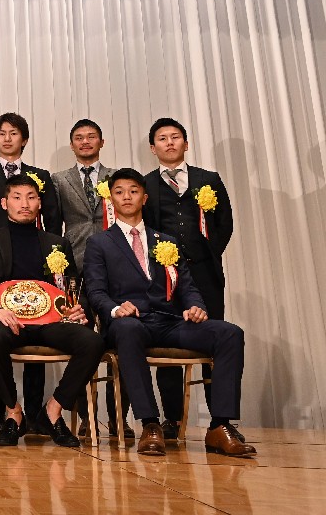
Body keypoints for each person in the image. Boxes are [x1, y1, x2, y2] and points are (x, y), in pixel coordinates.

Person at [83, 168, 254, 457]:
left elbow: (187, 286)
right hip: (130, 323)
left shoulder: (166, 241)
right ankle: (150, 424)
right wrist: (116, 309)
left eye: (134, 191)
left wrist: (196, 307)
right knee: (128, 330)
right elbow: (95, 291)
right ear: (111, 200)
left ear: (144, 198)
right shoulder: (99, 243)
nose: (127, 197)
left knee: (229, 333)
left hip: (169, 321)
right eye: (119, 192)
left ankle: (220, 425)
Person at [0, 173, 104, 448]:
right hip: (8, 321)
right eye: (17, 198)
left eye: (31, 198)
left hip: (51, 322)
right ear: (4, 203)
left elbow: (74, 285)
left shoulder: (57, 243)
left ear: (39, 203)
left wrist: (78, 308)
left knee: (93, 341)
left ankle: (52, 410)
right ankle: (13, 412)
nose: (24, 204)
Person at [0, 112, 60, 434]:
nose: (7, 138)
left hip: (36, 265)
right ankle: (0, 412)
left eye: (14, 133)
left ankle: (33, 411)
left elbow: (53, 221)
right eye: (2, 133)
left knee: (38, 322)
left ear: (24, 139)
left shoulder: (40, 176)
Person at [144, 118, 234, 441]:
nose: (169, 143)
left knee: (215, 344)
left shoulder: (208, 179)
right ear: (153, 148)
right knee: (166, 348)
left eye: (175, 137)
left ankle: (220, 421)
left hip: (205, 275)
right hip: (164, 278)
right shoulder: (146, 184)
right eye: (162, 138)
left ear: (186, 143)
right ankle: (171, 419)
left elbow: (224, 223)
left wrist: (206, 254)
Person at [52, 118, 131, 438]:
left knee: (122, 339)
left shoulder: (118, 178)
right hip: (74, 267)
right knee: (82, 343)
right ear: (72, 144)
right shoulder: (59, 180)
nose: (85, 142)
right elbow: (52, 225)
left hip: (115, 265)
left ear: (101, 142)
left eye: (91, 137)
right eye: (79, 138)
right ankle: (85, 416)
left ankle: (119, 417)